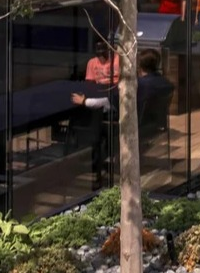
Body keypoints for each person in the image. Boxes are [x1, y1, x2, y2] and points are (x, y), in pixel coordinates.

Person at [72, 49, 175, 184]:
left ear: (139, 65)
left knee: (97, 124)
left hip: (136, 127)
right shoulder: (165, 83)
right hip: (153, 125)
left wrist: (84, 101)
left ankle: (96, 167)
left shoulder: (137, 86)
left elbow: (109, 102)